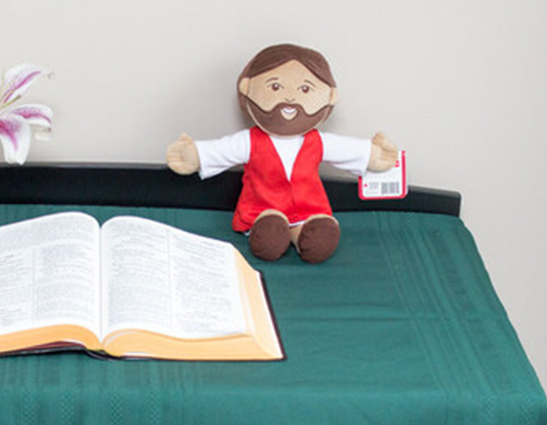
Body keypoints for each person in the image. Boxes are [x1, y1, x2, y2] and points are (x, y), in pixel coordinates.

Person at [166, 44, 398, 263]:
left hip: (309, 212)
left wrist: (372, 155)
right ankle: (270, 231)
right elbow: (222, 151)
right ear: (247, 89)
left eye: (305, 89)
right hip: (261, 211)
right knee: (269, 234)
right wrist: (195, 155)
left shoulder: (317, 142)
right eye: (275, 87)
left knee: (318, 237)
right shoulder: (250, 141)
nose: (290, 97)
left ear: (329, 97)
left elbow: (346, 150)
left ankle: (306, 234)